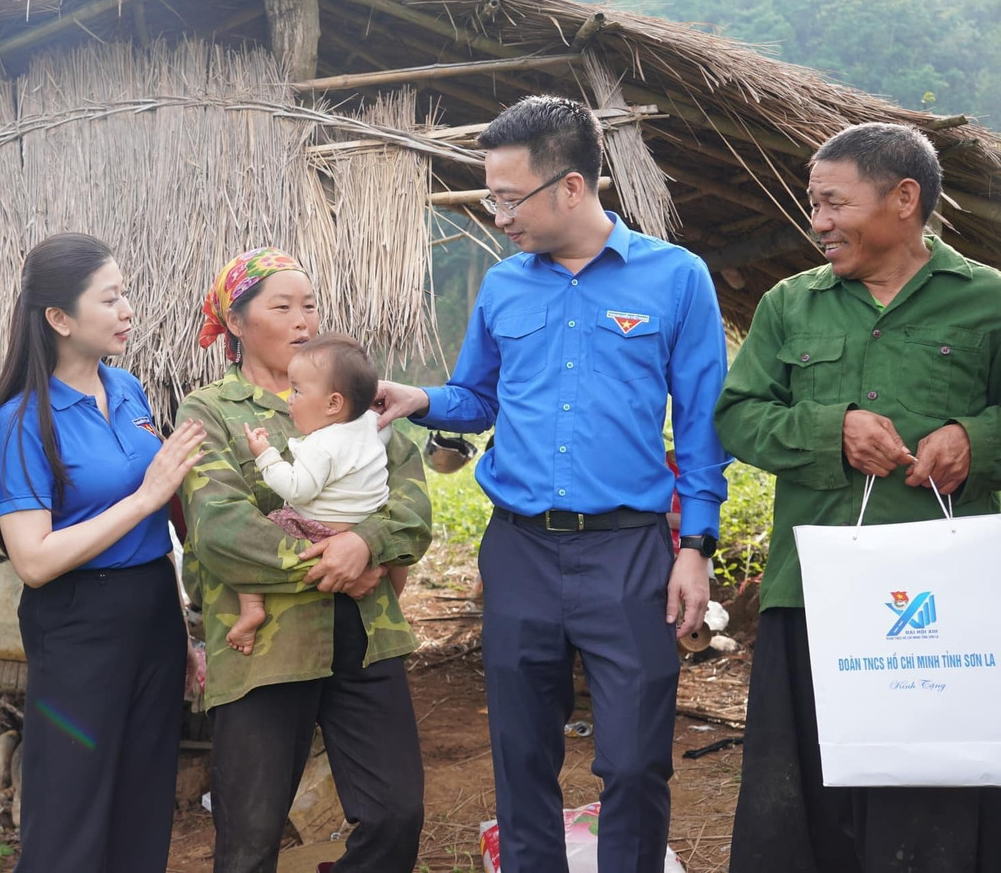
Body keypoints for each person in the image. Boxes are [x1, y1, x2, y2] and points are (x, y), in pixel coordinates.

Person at [375, 95, 731, 873]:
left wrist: (696, 545)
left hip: (630, 551)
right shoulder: (506, 287)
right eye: (491, 198)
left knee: (636, 760)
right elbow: (478, 396)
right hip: (520, 552)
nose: (499, 215)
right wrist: (420, 399)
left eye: (509, 197)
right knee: (521, 755)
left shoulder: (675, 279)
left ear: (571, 187)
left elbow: (705, 426)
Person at [716, 122, 1001, 872]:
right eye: (815, 205)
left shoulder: (989, 302)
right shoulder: (790, 306)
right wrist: (828, 428)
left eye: (834, 203)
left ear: (904, 198)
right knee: (803, 801)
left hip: (944, 613)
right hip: (811, 596)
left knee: (930, 799)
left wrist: (979, 438)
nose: (819, 224)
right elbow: (737, 415)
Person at [177, 247, 432, 873]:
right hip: (264, 648)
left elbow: (412, 507)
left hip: (367, 634)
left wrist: (364, 544)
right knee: (250, 839)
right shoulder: (211, 411)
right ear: (235, 324)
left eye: (310, 306)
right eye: (282, 306)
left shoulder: (356, 399)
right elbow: (219, 529)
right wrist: (335, 562)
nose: (302, 321)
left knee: (397, 813)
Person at [0, 233, 204, 871]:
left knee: (144, 794)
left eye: (125, 294)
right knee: (71, 800)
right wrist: (146, 498)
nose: (127, 309)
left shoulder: (127, 389)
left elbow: (156, 536)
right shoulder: (20, 424)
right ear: (59, 318)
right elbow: (35, 559)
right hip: (78, 622)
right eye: (111, 298)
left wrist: (180, 632)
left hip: (152, 608)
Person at [236, 333, 402, 654]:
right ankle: (389, 591)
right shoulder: (373, 423)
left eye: (297, 390)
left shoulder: (321, 444)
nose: (289, 398)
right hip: (363, 528)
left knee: (259, 534)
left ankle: (252, 604)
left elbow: (297, 489)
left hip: (316, 531)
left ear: (333, 403)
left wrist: (265, 455)